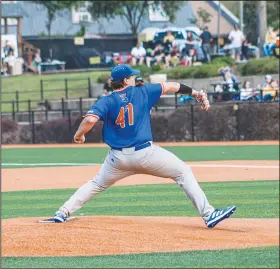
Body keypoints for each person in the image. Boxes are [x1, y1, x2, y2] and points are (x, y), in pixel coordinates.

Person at [43, 64, 236, 228]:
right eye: (132, 76)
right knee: (183, 172)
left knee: (96, 184)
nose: (135, 78)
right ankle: (209, 214)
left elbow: (90, 119)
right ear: (125, 80)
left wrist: (79, 135)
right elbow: (173, 86)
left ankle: (62, 212)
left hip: (117, 159)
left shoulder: (107, 100)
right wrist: (195, 94)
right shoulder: (144, 91)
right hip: (146, 154)